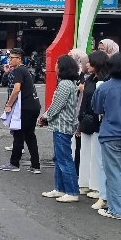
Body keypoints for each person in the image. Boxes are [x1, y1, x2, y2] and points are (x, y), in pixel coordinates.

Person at [40, 55, 80, 203]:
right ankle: (59, 188)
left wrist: (44, 117)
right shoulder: (69, 83)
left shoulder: (65, 84)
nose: (55, 66)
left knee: (64, 159)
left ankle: (71, 191)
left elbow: (57, 105)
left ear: (62, 67)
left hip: (63, 126)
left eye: (57, 64)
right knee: (59, 158)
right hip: (62, 125)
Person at [92, 52, 121, 219]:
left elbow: (97, 109)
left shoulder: (103, 87)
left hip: (111, 134)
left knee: (113, 173)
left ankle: (117, 210)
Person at [0, 48, 42, 173]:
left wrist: (8, 104)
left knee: (18, 134)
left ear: (19, 59)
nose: (9, 60)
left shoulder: (19, 69)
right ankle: (35, 165)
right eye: (9, 57)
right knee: (30, 135)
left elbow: (16, 89)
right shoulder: (24, 70)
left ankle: (14, 163)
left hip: (26, 107)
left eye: (12, 58)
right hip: (34, 106)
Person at [77, 50, 109, 209]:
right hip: (86, 120)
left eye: (90, 62)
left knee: (97, 155)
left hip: (97, 122)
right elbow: (84, 102)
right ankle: (85, 183)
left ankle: (96, 186)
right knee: (85, 152)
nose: (87, 64)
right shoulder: (89, 79)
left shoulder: (104, 81)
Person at [68, 48, 89, 180]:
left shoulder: (85, 76)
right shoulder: (74, 74)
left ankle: (78, 172)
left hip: (83, 114)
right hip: (74, 112)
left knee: (81, 146)